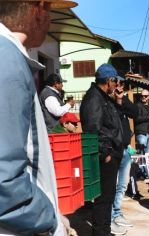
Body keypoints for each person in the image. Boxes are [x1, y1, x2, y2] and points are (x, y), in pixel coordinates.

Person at [0, 0, 77, 235]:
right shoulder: (7, 61)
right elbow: (5, 184)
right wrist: (49, 218)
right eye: (51, 10)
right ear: (38, 9)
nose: (51, 20)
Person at [80, 63, 126, 236]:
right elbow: (93, 129)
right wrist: (105, 153)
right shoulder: (94, 98)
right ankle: (101, 232)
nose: (116, 85)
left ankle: (104, 230)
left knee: (107, 198)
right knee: (103, 199)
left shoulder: (103, 97)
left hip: (112, 153)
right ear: (109, 81)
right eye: (115, 82)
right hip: (106, 156)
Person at [111, 78, 138, 231]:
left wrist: (122, 99)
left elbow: (134, 112)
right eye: (117, 84)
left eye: (122, 85)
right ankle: (110, 217)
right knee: (111, 186)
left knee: (122, 186)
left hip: (125, 149)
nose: (119, 87)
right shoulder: (107, 101)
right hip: (113, 150)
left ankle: (117, 213)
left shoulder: (123, 101)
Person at [134, 89, 149, 157]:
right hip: (142, 133)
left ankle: (146, 168)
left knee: (148, 154)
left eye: (145, 96)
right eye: (142, 96)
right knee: (142, 154)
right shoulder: (137, 106)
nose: (143, 97)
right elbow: (136, 119)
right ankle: (142, 168)